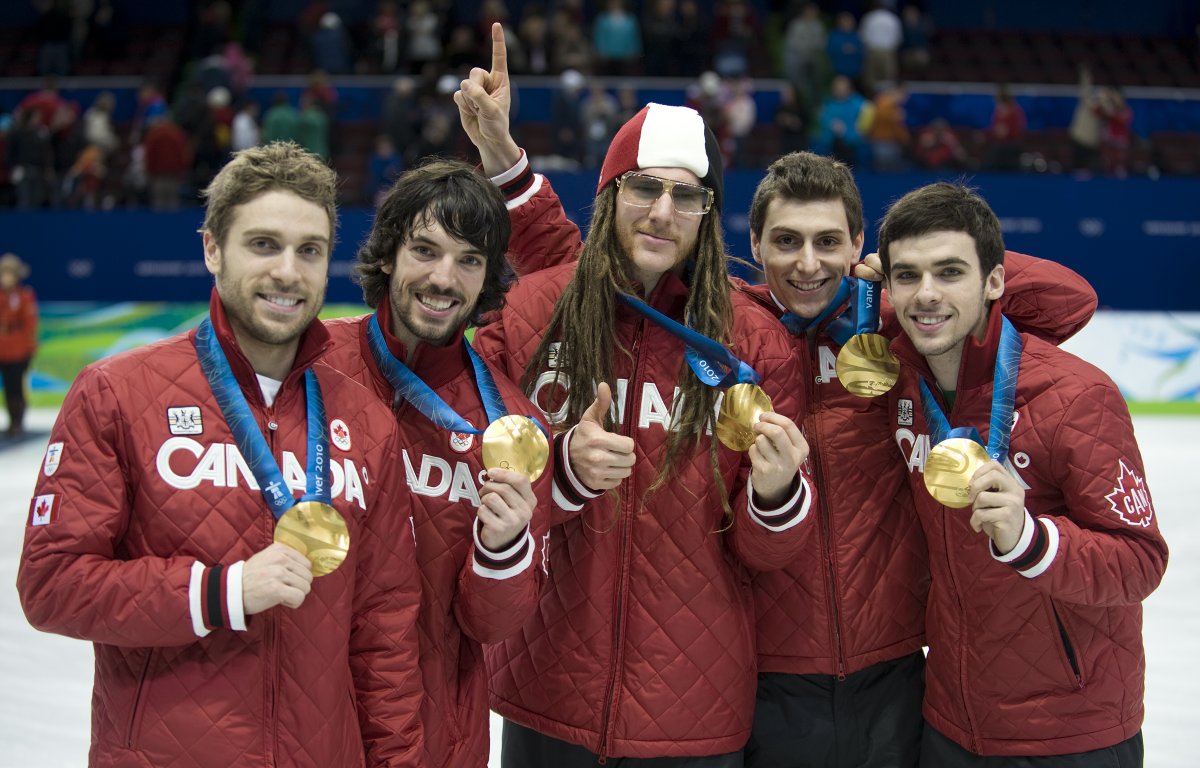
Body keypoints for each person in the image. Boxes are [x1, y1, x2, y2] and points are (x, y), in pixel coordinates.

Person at [456, 24, 816, 765]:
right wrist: (564, 474)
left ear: (708, 214)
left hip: (694, 709)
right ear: (610, 195)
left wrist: (778, 493)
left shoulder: (749, 340)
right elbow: (472, 482)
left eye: (686, 196)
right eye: (644, 188)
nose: (661, 212)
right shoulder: (536, 312)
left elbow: (766, 550)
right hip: (547, 694)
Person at [17, 142, 425, 767]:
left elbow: (385, 631)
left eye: (309, 250)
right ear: (212, 249)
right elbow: (52, 585)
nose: (288, 271)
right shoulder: (117, 392)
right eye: (263, 244)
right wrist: (221, 592)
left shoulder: (363, 419)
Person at [738, 153, 1099, 768]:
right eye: (786, 241)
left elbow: (1071, 302)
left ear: (857, 245)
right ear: (754, 243)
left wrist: (906, 271)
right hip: (767, 666)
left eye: (828, 242)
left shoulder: (897, 318)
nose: (807, 263)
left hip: (895, 664)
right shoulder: (730, 328)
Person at [876, 182, 1168, 766]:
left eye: (950, 271)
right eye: (906, 276)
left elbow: (1140, 564)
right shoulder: (902, 382)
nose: (926, 295)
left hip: (1071, 731)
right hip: (950, 719)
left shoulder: (1077, 396)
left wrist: (1031, 539)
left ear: (995, 281)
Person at [322, 159, 551, 767]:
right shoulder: (314, 371)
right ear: (389, 254)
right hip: (303, 720)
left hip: (437, 736)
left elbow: (491, 624)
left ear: (487, 279)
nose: (443, 278)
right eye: (425, 250)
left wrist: (503, 546)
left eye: (469, 260)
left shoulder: (510, 427)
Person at [0, 252, 38, 439]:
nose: (5, 278)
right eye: (3, 273)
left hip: (18, 348)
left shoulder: (24, 296)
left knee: (17, 386)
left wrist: (30, 348)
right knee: (7, 387)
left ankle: (18, 420)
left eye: (9, 274)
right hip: (2, 348)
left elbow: (30, 324)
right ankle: (10, 420)